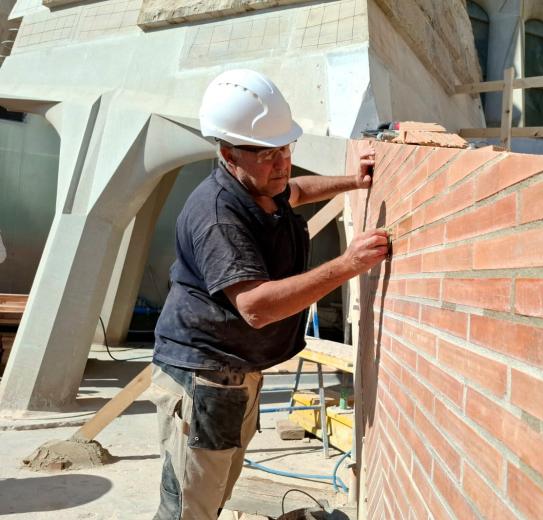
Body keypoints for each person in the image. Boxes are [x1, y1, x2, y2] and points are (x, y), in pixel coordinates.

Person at [149, 69, 388, 519]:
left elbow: (295, 191)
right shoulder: (218, 215)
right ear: (227, 152)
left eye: (285, 149)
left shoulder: (261, 185)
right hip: (204, 376)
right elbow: (256, 308)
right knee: (189, 507)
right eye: (265, 154)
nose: (281, 164)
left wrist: (352, 181)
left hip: (236, 372)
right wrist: (348, 264)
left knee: (214, 493)